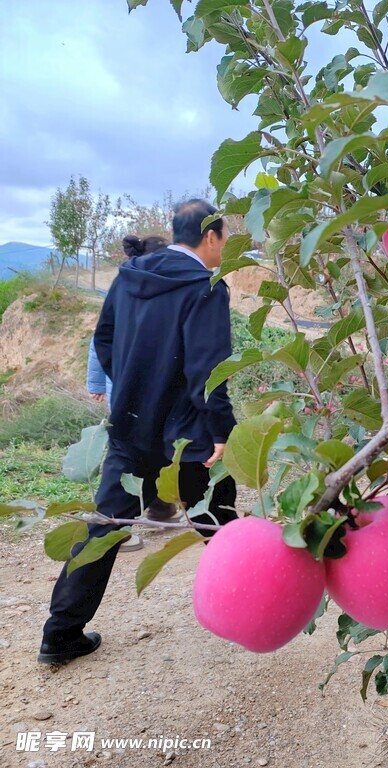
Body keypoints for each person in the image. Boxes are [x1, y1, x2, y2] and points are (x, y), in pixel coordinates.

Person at [39, 200, 238, 665]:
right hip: (188, 435)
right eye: (224, 238)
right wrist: (221, 429)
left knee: (104, 529)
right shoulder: (206, 286)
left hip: (130, 428)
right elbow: (208, 368)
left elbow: (103, 340)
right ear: (211, 236)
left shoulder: (130, 275)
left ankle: (60, 634)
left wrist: (129, 388)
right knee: (218, 518)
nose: (224, 248)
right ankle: (259, 603)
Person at [86, 235, 181, 551]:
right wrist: (100, 384)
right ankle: (114, 528)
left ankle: (161, 509)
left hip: (143, 399)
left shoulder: (135, 294)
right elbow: (99, 343)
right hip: (130, 400)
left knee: (156, 454)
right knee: (128, 461)